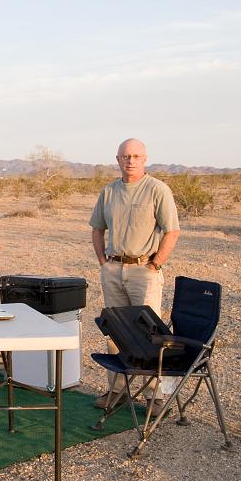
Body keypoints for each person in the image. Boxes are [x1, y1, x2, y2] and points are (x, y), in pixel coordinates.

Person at [89, 138, 181, 416]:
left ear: (145, 159)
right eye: (125, 156)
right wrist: (103, 261)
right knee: (115, 330)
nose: (130, 161)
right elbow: (97, 229)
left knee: (150, 332)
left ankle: (155, 394)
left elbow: (172, 230)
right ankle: (117, 390)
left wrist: (156, 263)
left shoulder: (157, 189)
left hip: (145, 270)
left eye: (136, 156)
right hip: (114, 269)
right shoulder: (108, 192)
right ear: (117, 160)